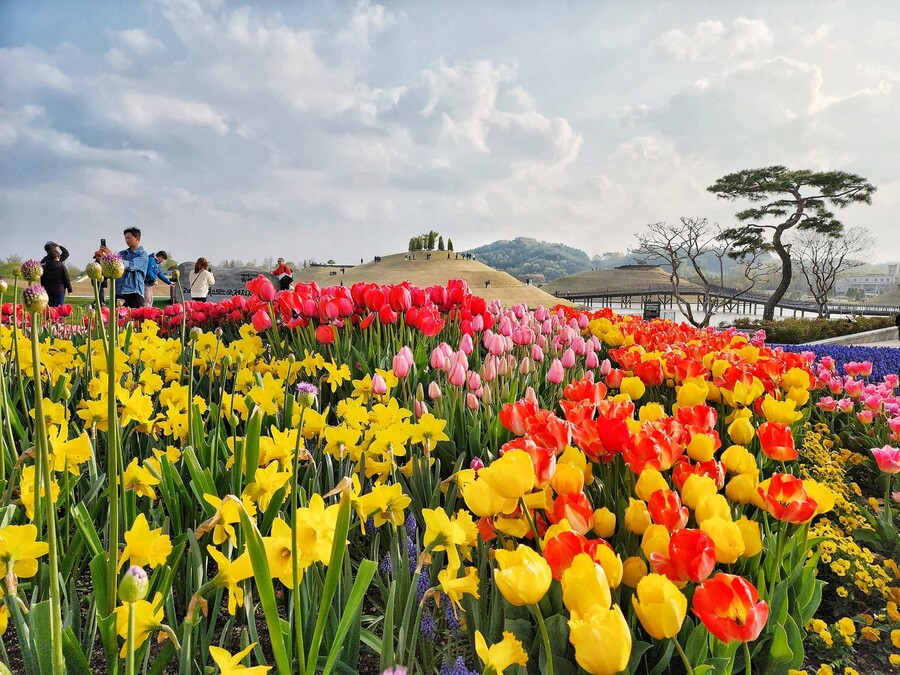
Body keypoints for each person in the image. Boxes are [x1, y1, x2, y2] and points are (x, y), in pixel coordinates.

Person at [98, 227, 149, 309]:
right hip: (118, 293)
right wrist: (103, 258)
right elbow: (112, 266)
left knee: (134, 319)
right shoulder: (122, 253)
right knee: (117, 319)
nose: (126, 240)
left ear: (137, 238)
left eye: (129, 238)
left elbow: (131, 265)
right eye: (125, 238)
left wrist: (112, 256)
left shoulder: (142, 255)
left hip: (134, 293)